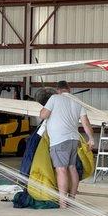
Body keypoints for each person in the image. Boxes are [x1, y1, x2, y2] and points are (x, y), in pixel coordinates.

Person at [39, 80, 94, 208]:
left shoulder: (54, 98)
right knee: (72, 167)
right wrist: (91, 139)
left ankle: (63, 202)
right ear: (68, 89)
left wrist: (46, 106)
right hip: (74, 139)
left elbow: (43, 115)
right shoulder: (77, 101)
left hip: (59, 140)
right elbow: (86, 123)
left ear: (57, 90)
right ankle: (72, 199)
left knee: (61, 170)